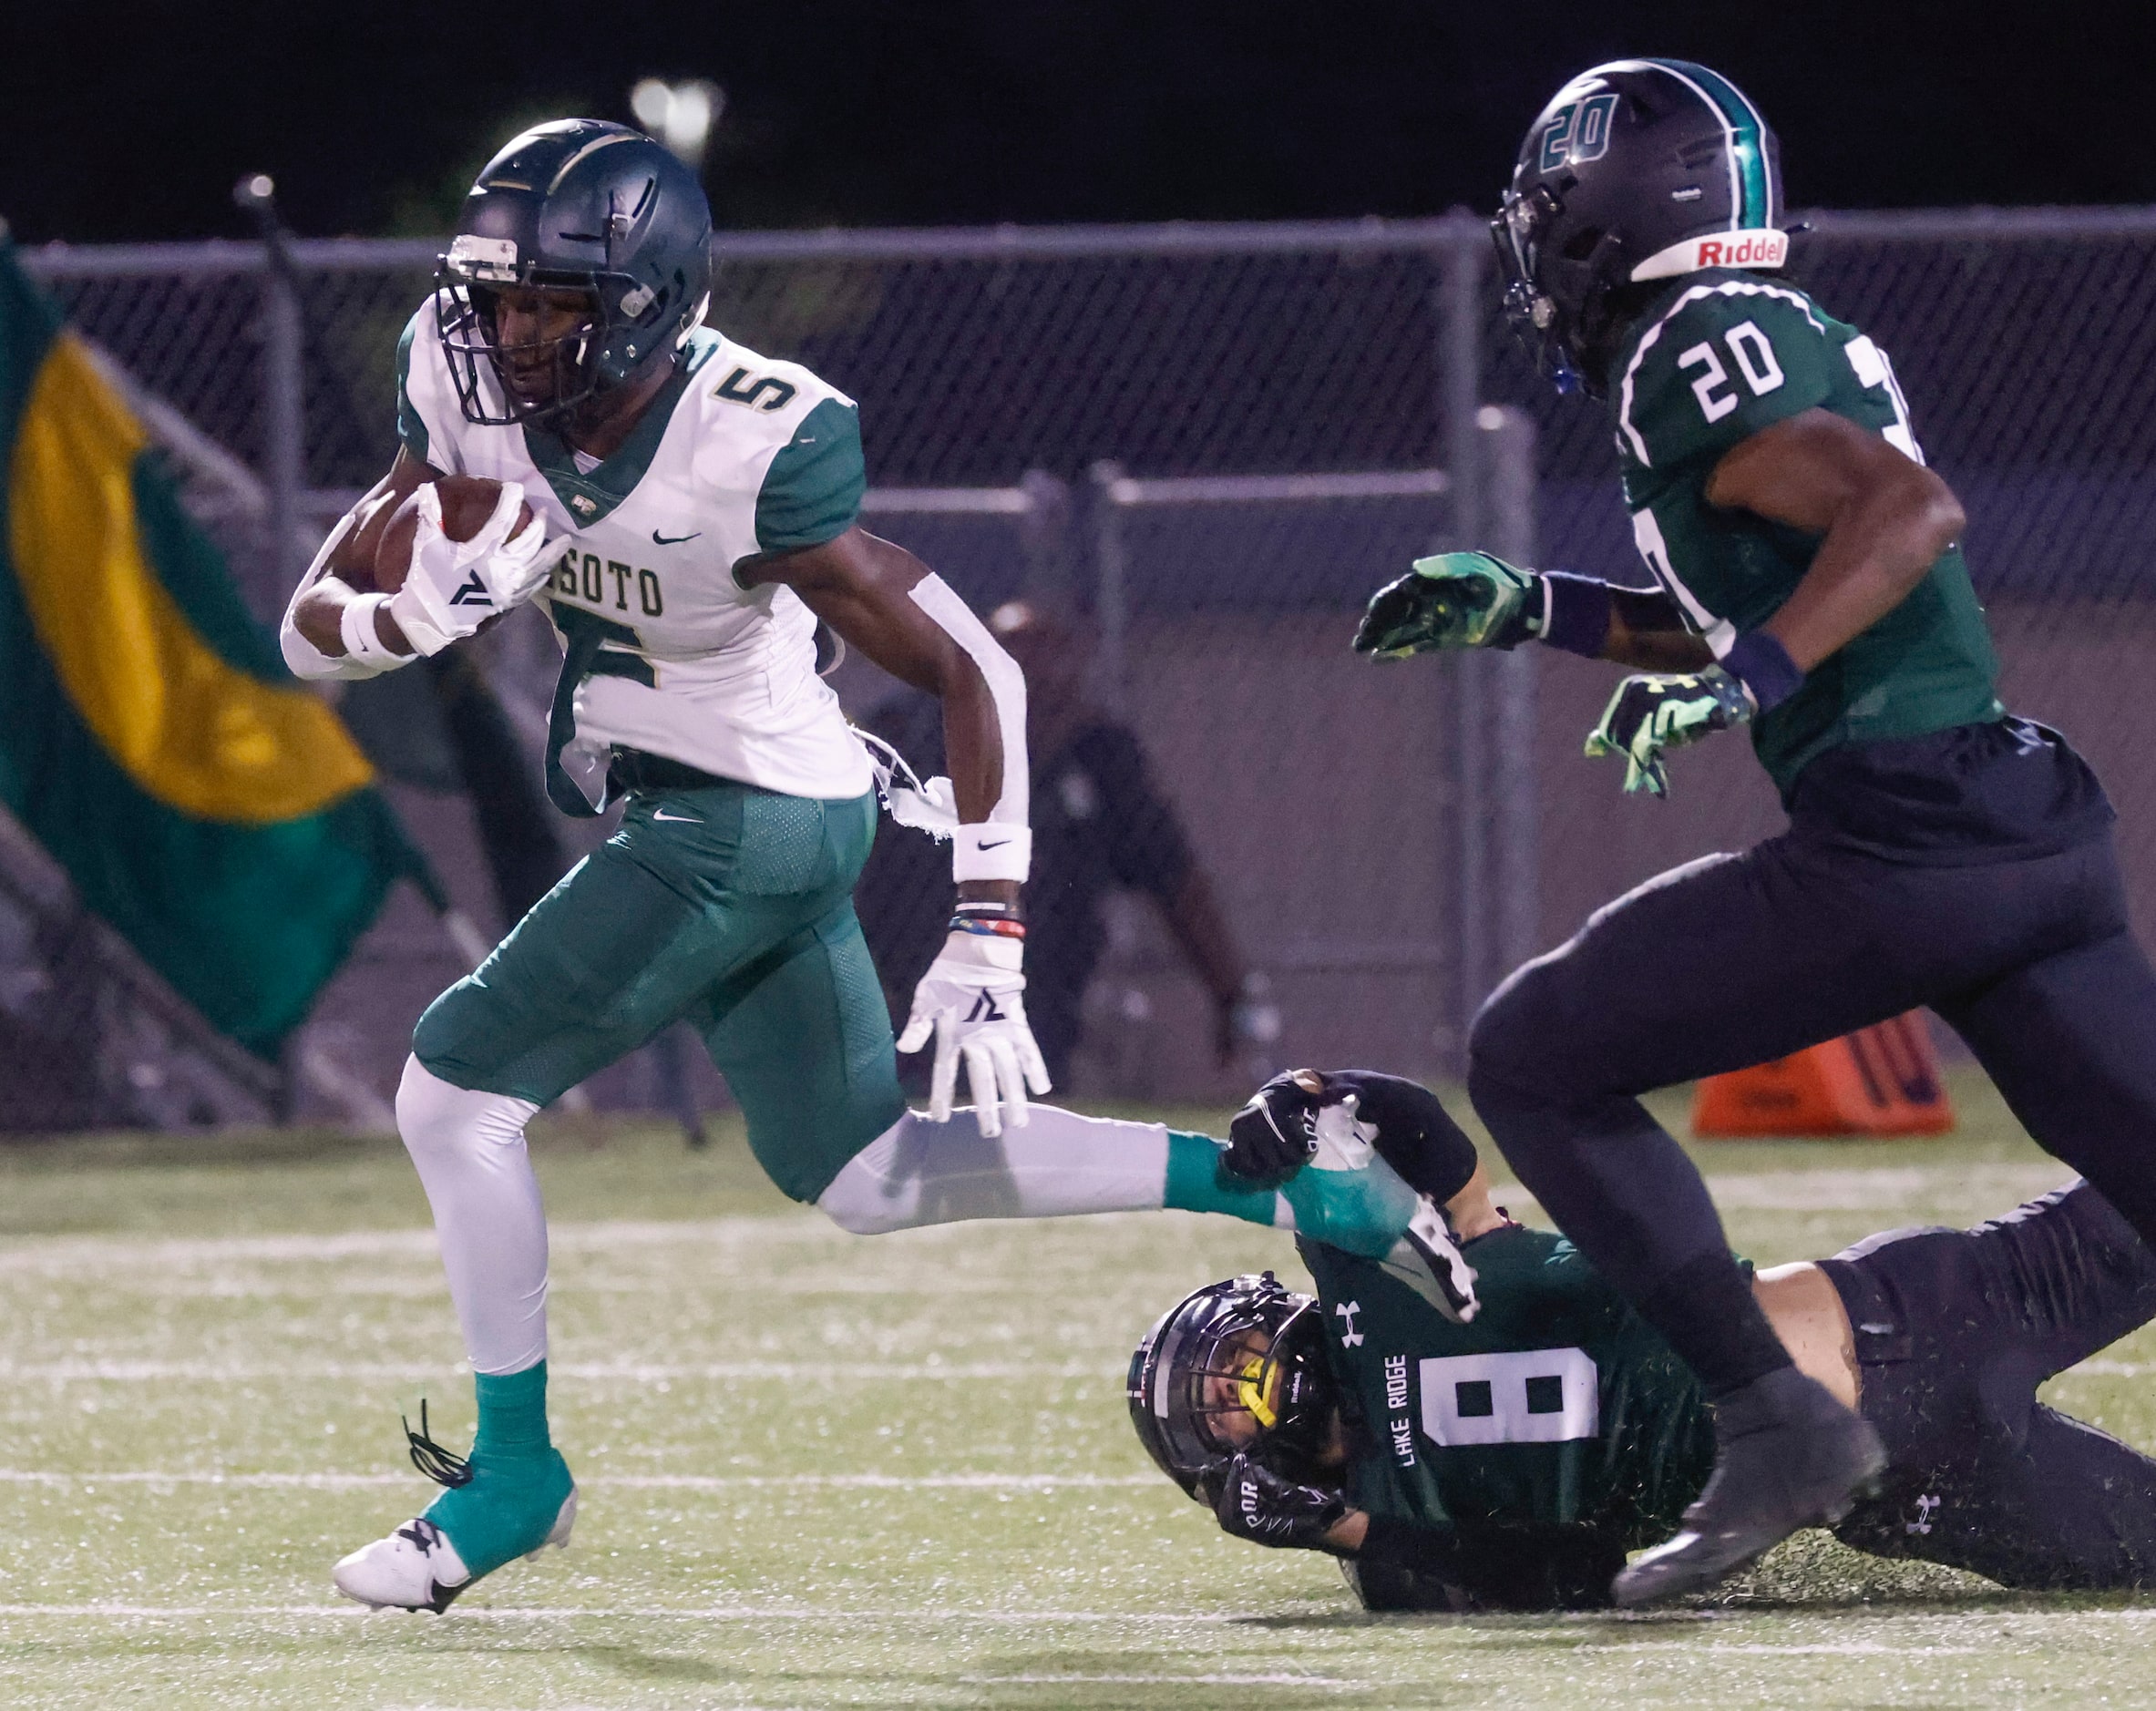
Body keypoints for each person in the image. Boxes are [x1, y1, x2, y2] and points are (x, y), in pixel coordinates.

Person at [276, 119, 1459, 1614]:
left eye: (551, 305)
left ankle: (516, 1474)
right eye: (499, 298)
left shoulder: (754, 435)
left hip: (746, 811)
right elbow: (361, 577)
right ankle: (1279, 1192)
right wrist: (393, 607)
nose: (511, 333)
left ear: (643, 301)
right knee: (866, 1171)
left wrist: (989, 925)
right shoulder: (461, 380)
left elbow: (979, 665)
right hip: (715, 803)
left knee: (452, 1088)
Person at [1348, 57, 2156, 1603]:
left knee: (1533, 1052)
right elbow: (1752, 588)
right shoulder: (1756, 330)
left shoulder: (1687, 341)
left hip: (1906, 833)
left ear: (1606, 211)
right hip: (2012, 828)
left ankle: (1772, 1415)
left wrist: (1753, 674)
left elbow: (1903, 516)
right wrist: (1540, 606)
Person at [1138, 1071, 2156, 1610]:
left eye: (1233, 1365)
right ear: (1229, 1471)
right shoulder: (1395, 1548)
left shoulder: (1376, 1269)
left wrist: (1307, 1086)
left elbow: (1431, 1143)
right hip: (1906, 1486)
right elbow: (1570, 1579)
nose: (1252, 1388)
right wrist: (1336, 1528)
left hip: (1896, 1307)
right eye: (1227, 1407)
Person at [856, 599, 1277, 1092]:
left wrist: (1227, 989)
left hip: (1040, 991)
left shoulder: (1096, 754)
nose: (1035, 674)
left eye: (1050, 656)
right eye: (1014, 654)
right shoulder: (912, 736)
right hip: (915, 977)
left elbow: (1171, 875)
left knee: (1019, 1119)